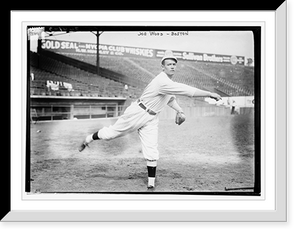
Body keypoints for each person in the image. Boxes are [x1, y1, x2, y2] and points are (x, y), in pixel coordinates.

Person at [78, 50, 221, 190]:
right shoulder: (162, 80)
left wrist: (180, 110)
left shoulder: (168, 83)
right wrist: (209, 94)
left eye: (174, 64)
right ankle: (89, 138)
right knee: (110, 135)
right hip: (137, 112)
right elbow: (186, 90)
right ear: (162, 67)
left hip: (152, 118)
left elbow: (170, 99)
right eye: (169, 64)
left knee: (152, 149)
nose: (172, 66)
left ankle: (151, 183)